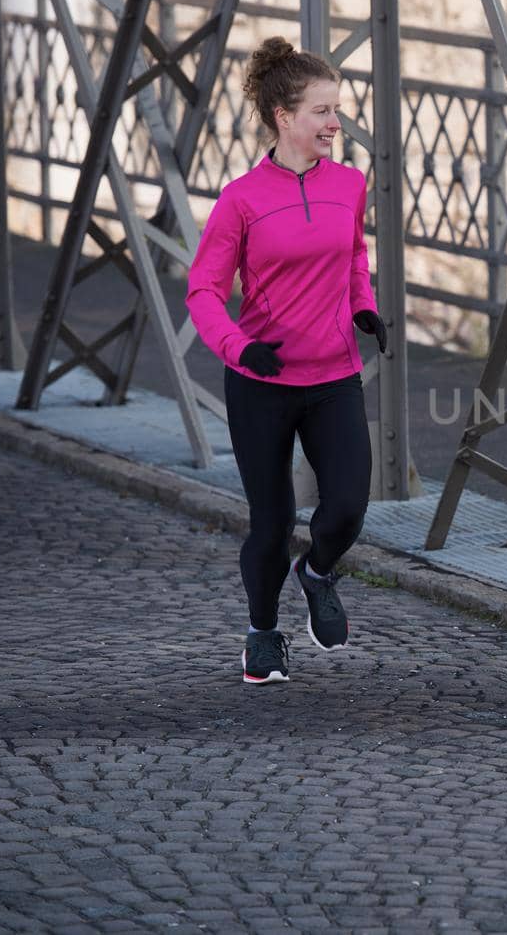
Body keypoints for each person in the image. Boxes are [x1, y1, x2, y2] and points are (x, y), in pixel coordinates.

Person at [186, 36, 388, 685]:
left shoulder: (350, 185)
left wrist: (362, 304)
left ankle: (319, 572)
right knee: (270, 526)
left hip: (333, 376)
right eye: (323, 111)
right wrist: (239, 346)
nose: (336, 123)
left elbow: (352, 255)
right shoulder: (241, 200)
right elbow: (204, 291)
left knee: (348, 510)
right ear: (284, 118)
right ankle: (263, 634)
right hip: (261, 383)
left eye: (338, 109)